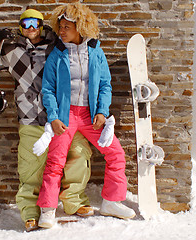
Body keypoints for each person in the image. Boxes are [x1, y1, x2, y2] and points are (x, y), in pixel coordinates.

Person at [0, 9, 94, 232]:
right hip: (30, 116)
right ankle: (30, 212)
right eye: (25, 24)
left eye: (35, 23)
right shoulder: (11, 49)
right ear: (21, 26)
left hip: (61, 116)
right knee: (30, 167)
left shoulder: (57, 46)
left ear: (41, 25)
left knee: (79, 155)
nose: (30, 28)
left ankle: (74, 201)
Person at [35, 2, 136, 228]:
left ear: (80, 27)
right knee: (55, 162)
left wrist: (101, 111)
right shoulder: (56, 55)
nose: (60, 32)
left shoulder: (96, 52)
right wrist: (54, 117)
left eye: (66, 27)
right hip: (65, 115)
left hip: (91, 116)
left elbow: (105, 85)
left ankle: (111, 201)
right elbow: (48, 89)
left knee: (116, 154)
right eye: (59, 27)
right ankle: (48, 209)